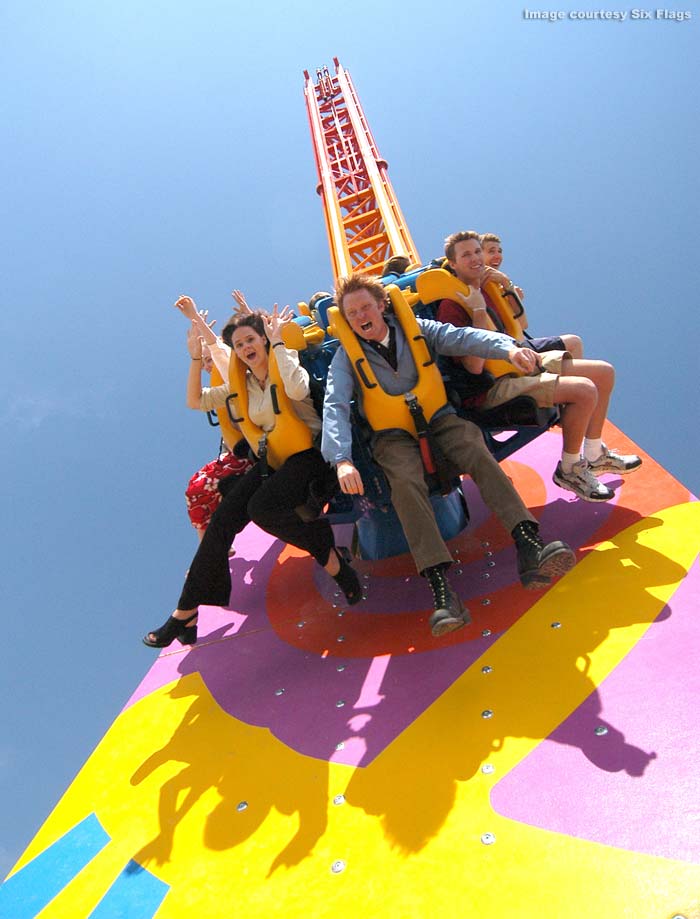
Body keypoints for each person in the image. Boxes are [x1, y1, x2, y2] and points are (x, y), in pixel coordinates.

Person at [322, 273, 576, 638]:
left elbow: (464, 337)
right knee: (404, 483)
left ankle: (529, 543)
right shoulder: (346, 357)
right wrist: (341, 458)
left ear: (381, 306)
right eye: (352, 312)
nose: (361, 315)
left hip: (439, 418)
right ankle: (441, 588)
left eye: (365, 306)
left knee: (473, 445)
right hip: (393, 436)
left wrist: (507, 348)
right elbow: (334, 404)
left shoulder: (416, 328)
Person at [144, 305, 361, 649]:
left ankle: (330, 557)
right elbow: (194, 400)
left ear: (263, 338)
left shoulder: (283, 359)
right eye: (240, 344)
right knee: (222, 519)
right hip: (274, 463)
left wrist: (278, 346)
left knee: (261, 508)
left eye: (250, 339)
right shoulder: (240, 384)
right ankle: (186, 611)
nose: (246, 347)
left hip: (310, 459)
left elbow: (298, 391)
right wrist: (194, 360)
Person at [440, 231, 641, 502]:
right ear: (452, 264)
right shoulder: (451, 305)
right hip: (490, 386)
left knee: (604, 373)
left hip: (519, 364)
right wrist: (476, 311)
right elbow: (474, 368)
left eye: (478, 251)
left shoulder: (487, 288)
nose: (476, 258)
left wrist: (505, 288)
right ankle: (570, 470)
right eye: (466, 254)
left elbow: (519, 328)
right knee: (584, 390)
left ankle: (594, 454)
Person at [478, 231, 583, 359]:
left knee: (574, 344)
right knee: (573, 342)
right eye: (491, 251)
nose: (498, 255)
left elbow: (523, 324)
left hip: (518, 343)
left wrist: (508, 287)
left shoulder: (502, 287)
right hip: (505, 346)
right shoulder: (473, 281)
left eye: (500, 251)